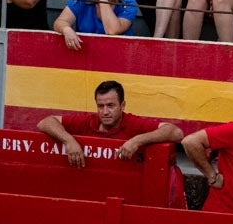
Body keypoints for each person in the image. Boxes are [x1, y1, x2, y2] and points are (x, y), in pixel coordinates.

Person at [37, 79, 185, 207]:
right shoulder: (89, 121)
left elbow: (176, 133)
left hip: (124, 198)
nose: (105, 112)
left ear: (122, 105)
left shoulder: (132, 123)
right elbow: (45, 122)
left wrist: (137, 140)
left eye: (110, 105)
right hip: (87, 194)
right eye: (100, 106)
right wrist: (68, 140)